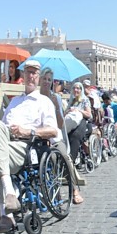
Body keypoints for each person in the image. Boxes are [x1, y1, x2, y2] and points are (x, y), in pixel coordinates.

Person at [0, 60, 58, 232]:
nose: (30, 76)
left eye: (34, 73)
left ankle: (6, 211)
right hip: (7, 143)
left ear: (38, 77)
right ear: (23, 75)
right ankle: (8, 199)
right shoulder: (14, 101)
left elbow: (53, 130)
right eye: (28, 72)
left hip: (28, 145)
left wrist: (27, 131)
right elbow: (0, 128)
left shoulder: (44, 101)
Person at [40, 67, 84, 204]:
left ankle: (74, 189)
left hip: (55, 136)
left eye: (49, 80)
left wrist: (55, 107)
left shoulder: (56, 98)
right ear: (40, 80)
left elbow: (60, 124)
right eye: (45, 79)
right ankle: (55, 193)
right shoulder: (36, 98)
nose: (47, 82)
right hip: (40, 137)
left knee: (64, 156)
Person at [65, 81, 93, 165]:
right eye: (74, 88)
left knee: (75, 136)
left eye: (78, 88)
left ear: (81, 90)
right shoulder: (71, 100)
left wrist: (79, 110)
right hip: (72, 122)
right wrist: (68, 111)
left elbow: (89, 114)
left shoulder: (85, 100)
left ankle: (71, 160)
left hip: (83, 121)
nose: (76, 90)